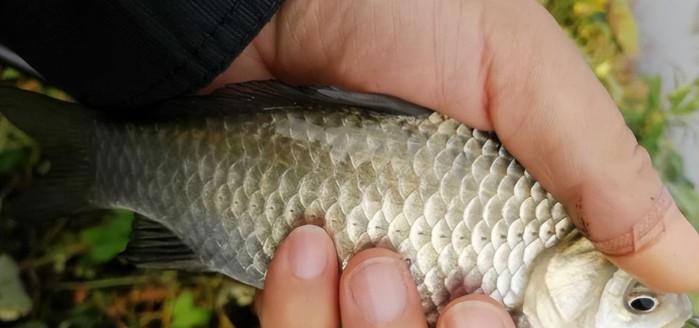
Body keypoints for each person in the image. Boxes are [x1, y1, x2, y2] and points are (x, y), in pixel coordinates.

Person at [1, 0, 698, 327]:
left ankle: (108, 161)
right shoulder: (544, 218)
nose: (644, 316)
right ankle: (103, 158)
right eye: (637, 305)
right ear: (573, 262)